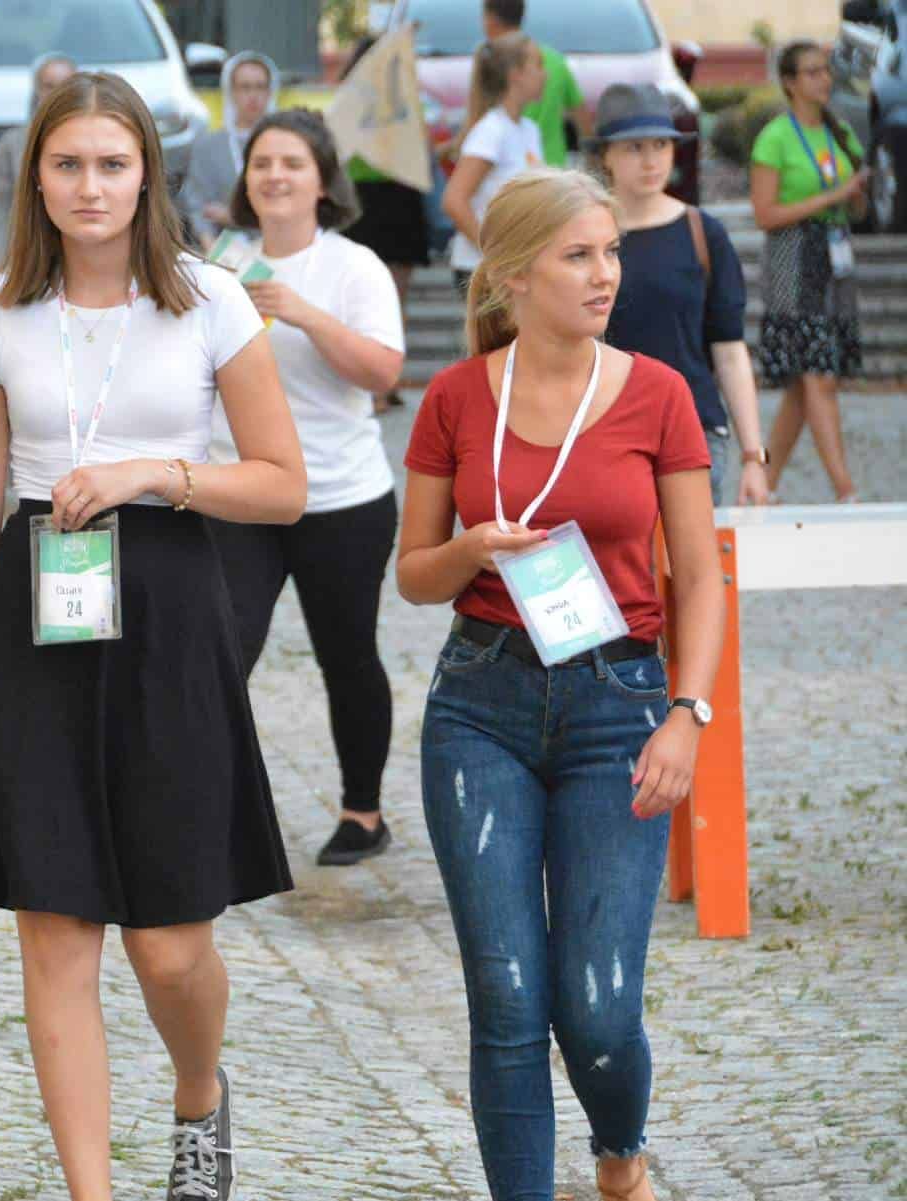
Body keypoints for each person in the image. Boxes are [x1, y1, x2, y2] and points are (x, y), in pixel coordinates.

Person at [0, 72, 307, 1201]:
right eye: (68, 164)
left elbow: (282, 484)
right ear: (35, 178)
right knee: (56, 933)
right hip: (29, 630)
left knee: (169, 944)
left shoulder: (211, 300)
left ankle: (198, 1091)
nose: (90, 186)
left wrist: (154, 474)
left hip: (171, 614)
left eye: (111, 164)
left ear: (147, 176)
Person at [398, 168, 725, 1201]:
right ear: (513, 275)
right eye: (578, 255)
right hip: (480, 704)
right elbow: (414, 574)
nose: (605, 274)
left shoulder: (658, 394)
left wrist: (687, 713)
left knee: (597, 1004)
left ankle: (620, 1154)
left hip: (619, 704)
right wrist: (471, 549)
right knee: (506, 997)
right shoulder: (456, 397)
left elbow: (698, 574)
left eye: (611, 252)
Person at [206, 109, 406, 867]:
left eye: (292, 163)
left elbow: (383, 374)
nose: (275, 176)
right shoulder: (221, 260)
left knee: (346, 654)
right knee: (221, 650)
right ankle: (213, 809)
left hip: (340, 497)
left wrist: (303, 314)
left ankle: (363, 812)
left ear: (323, 181)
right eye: (261, 163)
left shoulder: (355, 266)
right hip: (242, 493)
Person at [593, 84, 771, 507]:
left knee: (691, 547)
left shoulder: (703, 233)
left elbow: (729, 349)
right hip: (604, 429)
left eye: (661, 145)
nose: (651, 160)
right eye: (635, 147)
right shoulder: (585, 237)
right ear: (605, 155)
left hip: (694, 428)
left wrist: (753, 457)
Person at [750, 39, 868, 503]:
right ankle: (846, 490)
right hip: (793, 261)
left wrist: (857, 197)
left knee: (805, 387)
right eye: (813, 71)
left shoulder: (841, 133)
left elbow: (857, 209)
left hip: (835, 260)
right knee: (819, 376)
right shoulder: (775, 138)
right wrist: (832, 197)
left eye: (826, 70)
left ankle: (765, 485)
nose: (824, 79)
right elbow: (765, 214)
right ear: (789, 82)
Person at [338, 33, 432, 414]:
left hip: (390, 197)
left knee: (393, 297)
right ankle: (375, 386)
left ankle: (385, 381)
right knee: (380, 297)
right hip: (375, 199)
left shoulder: (398, 99)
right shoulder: (362, 101)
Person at [443, 33, 544, 295]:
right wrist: (495, 255)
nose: (545, 74)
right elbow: (454, 201)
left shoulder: (528, 129)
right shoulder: (491, 130)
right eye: (538, 65)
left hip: (516, 268)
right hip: (482, 270)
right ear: (516, 75)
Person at [0, 52, 78, 278]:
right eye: (49, 86)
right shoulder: (13, 144)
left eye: (65, 85)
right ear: (36, 91)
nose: (57, 93)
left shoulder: (99, 141)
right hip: (28, 265)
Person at [178, 51, 277, 247]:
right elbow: (198, 206)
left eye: (260, 87)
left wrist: (233, 217)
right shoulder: (209, 147)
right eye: (245, 87)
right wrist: (213, 253)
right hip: (226, 253)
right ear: (231, 91)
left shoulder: (286, 145)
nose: (253, 96)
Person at [481, 0, 590, 168]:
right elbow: (583, 121)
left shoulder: (488, 63)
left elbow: (476, 116)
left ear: (490, 19)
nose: (545, 75)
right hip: (554, 168)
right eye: (539, 67)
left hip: (536, 172)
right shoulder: (555, 60)